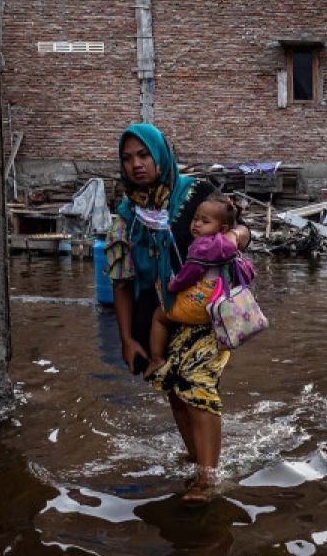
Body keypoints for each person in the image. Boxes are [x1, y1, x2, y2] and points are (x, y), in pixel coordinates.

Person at [105, 124, 252, 503]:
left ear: (160, 154)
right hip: (159, 314)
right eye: (127, 158)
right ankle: (196, 462)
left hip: (205, 314)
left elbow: (240, 228)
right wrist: (127, 340)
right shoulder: (127, 213)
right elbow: (121, 281)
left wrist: (233, 239)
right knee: (175, 390)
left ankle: (207, 479)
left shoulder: (196, 195)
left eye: (144, 154)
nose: (136, 164)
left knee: (200, 388)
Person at [145, 192, 254, 377]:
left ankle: (156, 359)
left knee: (159, 316)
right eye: (195, 219)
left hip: (199, 305)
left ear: (223, 228)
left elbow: (190, 273)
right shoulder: (228, 246)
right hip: (218, 304)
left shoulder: (202, 246)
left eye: (205, 221)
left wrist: (173, 286)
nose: (196, 224)